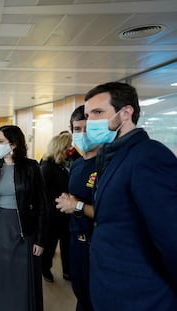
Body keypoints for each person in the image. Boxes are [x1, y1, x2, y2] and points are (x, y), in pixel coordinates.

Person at [83, 82, 177, 310]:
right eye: (87, 115)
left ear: (126, 113)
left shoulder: (149, 155)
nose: (90, 122)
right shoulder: (111, 156)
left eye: (98, 112)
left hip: (142, 295)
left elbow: (171, 235)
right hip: (111, 289)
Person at [0, 125, 48, 311]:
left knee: (21, 277)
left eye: (0, 141)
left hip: (23, 230)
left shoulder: (31, 167)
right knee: (0, 276)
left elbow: (42, 204)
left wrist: (41, 240)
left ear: (14, 144)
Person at [55, 105, 99, 311]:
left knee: (95, 298)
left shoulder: (108, 164)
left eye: (86, 128)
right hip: (76, 239)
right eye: (77, 129)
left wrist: (76, 205)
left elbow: (113, 211)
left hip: (97, 243)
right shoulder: (78, 165)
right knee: (80, 293)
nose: (82, 134)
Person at [40, 132, 72, 282]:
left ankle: (68, 271)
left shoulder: (64, 165)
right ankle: (45, 270)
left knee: (67, 245)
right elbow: (40, 193)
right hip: (52, 214)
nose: (70, 148)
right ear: (60, 147)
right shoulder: (47, 167)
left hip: (66, 213)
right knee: (49, 245)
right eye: (68, 146)